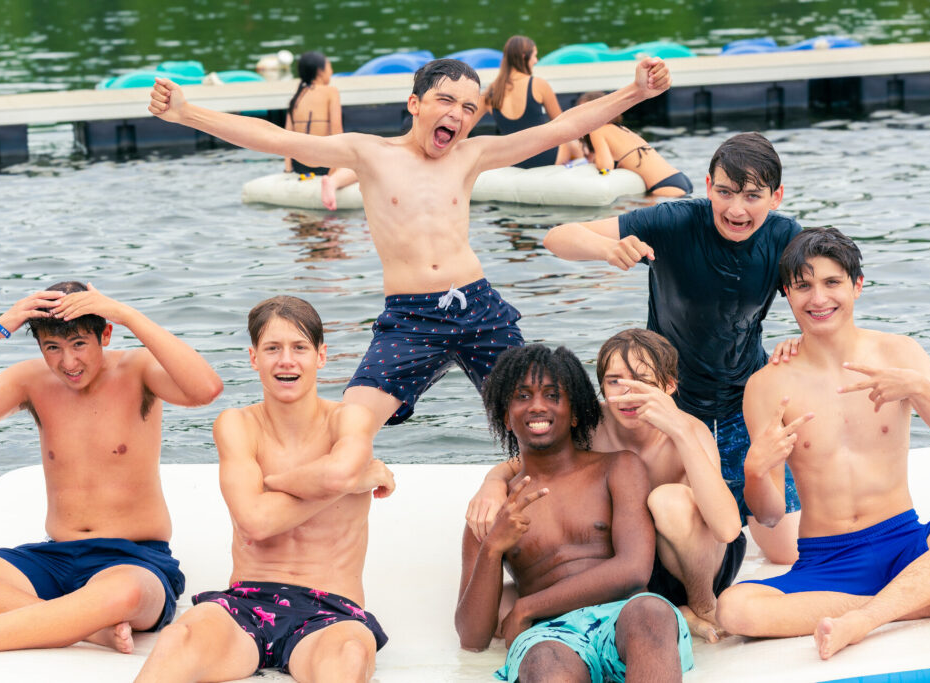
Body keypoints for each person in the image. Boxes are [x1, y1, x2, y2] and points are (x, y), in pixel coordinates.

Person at [149, 57, 671, 435]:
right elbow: (275, 139)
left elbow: (563, 125)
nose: (457, 114)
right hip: (410, 316)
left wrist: (634, 92)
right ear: (415, 104)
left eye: (469, 107)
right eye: (445, 100)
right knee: (350, 423)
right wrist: (188, 113)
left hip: (479, 306)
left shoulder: (471, 155)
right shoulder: (369, 153)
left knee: (539, 414)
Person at [0, 281, 223, 663]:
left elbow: (206, 388)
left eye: (79, 344)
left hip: (133, 559)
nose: (68, 363)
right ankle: (89, 629)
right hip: (55, 558)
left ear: (104, 334)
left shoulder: (138, 370)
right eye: (52, 348)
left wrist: (125, 312)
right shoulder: (32, 381)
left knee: (121, 596)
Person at [543, 132, 802, 564]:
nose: (736, 210)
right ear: (707, 186)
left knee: (785, 552)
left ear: (775, 197)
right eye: (724, 192)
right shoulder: (672, 221)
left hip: (745, 400)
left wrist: (801, 338)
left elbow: (823, 297)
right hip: (671, 400)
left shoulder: (786, 238)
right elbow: (558, 237)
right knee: (675, 529)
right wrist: (607, 248)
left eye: (753, 196)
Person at [135, 295, 395, 682]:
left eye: (299, 348)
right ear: (254, 357)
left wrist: (275, 482)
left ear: (321, 356)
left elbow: (337, 475)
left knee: (348, 657)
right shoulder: (237, 425)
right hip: (246, 602)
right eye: (272, 348)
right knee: (179, 639)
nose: (286, 361)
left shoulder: (349, 419)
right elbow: (255, 522)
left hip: (332, 611)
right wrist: (351, 483)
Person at [713, 228, 930, 658]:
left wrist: (921, 389)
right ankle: (912, 601)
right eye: (803, 286)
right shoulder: (767, 385)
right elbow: (772, 515)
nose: (818, 299)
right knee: (734, 608)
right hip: (827, 560)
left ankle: (863, 620)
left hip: (905, 540)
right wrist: (755, 472)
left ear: (857, 285)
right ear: (787, 293)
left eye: (832, 283)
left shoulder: (901, 353)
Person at [466, 329, 743, 643]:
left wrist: (680, 432)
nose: (627, 393)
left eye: (643, 380)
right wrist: (492, 482)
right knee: (503, 603)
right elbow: (522, 462)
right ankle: (670, 610)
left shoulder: (690, 431)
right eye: (614, 381)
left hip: (695, 559)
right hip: (632, 557)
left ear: (669, 386)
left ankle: (701, 605)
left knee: (667, 502)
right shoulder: (592, 423)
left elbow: (727, 529)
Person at [456, 344, 693, 682]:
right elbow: (471, 638)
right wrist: (493, 547)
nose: (537, 405)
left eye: (553, 395)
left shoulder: (618, 468)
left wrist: (526, 607)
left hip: (623, 613)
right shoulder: (493, 509)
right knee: (544, 661)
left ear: (577, 412)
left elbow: (634, 570)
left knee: (651, 612)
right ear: (505, 416)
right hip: (550, 634)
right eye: (522, 396)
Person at [484, 35, 583, 168]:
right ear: (524, 56)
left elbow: (467, 124)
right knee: (573, 144)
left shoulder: (491, 91)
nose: (536, 61)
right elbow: (562, 123)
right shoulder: (538, 84)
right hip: (545, 157)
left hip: (512, 161)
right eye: (535, 56)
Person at [574, 91, 693, 196]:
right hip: (678, 179)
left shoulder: (597, 130)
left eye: (583, 111)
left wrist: (593, 162)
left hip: (664, 187)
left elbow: (605, 166)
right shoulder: (622, 129)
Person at [283, 51, 357, 211]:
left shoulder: (295, 97)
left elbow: (286, 138)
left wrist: (288, 171)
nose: (331, 70)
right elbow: (337, 132)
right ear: (320, 70)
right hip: (325, 165)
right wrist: (334, 170)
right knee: (363, 163)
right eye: (329, 66)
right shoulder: (331, 91)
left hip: (299, 166)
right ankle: (332, 182)